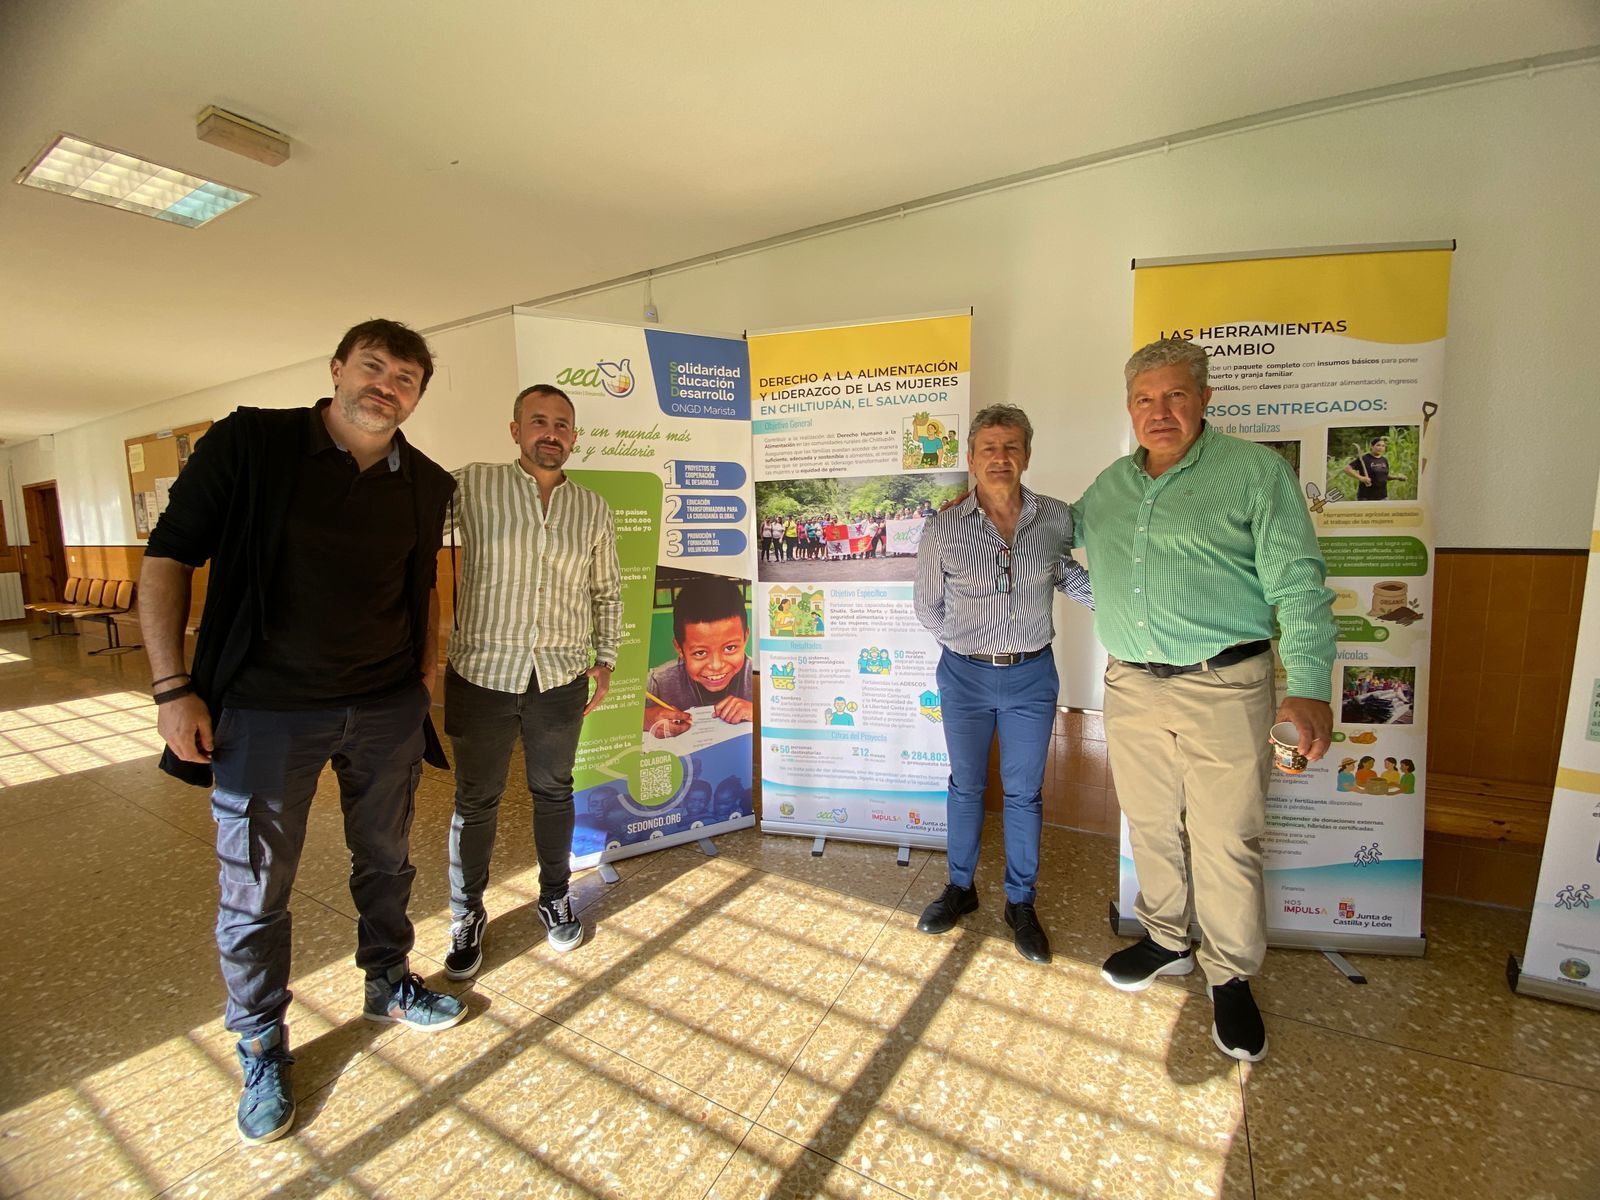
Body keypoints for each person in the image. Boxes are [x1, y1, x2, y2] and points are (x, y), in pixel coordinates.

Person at [138, 319, 464, 1146]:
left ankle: (388, 980)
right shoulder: (251, 443)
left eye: (406, 378)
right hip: (265, 712)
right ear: (337, 369)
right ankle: (259, 1043)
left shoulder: (425, 481)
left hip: (385, 709)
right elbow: (169, 555)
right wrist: (173, 688)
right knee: (256, 887)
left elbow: (419, 585)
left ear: (419, 395)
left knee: (387, 858)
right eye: (373, 367)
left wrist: (421, 681)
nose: (385, 386)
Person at [1079, 337, 1336, 1063]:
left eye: (1175, 396)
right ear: (1129, 408)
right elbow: (1054, 531)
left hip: (1226, 684)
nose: (1159, 412)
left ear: (1204, 398)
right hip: (1130, 684)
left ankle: (1230, 976)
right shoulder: (1109, 486)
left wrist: (1310, 685)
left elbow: (1298, 582)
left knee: (1227, 837)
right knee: (1150, 821)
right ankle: (1166, 940)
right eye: (1144, 399)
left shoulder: (1255, 473)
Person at [441, 384, 622, 977]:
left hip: (560, 677)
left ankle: (553, 894)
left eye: (563, 424)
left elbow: (606, 591)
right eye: (538, 421)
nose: (552, 433)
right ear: (514, 429)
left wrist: (606, 659)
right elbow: (403, 523)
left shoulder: (592, 508)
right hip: (481, 674)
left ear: (574, 436)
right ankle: (466, 912)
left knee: (554, 790)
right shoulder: (472, 484)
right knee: (476, 800)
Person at [913, 404, 1094, 964]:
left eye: (1011, 447)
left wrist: (1124, 604)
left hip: (1031, 676)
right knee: (965, 786)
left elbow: (1070, 576)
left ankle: (1021, 901)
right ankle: (960, 889)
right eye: (989, 448)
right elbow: (927, 608)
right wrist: (969, 642)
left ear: (1027, 456)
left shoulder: (1056, 518)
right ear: (970, 458)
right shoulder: (943, 526)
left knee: (1024, 793)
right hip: (964, 676)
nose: (1000, 457)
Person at [644, 576, 754, 737]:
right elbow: (615, 717)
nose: (716, 665)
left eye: (730, 648)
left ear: (745, 638)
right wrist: (645, 719)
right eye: (700, 653)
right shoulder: (657, 683)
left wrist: (757, 712)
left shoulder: (760, 678)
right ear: (679, 648)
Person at [1343, 435, 1407, 501]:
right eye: (1378, 445)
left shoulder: (1384, 460)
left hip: (1383, 497)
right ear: (1372, 446)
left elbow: (1384, 476)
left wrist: (1397, 477)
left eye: (1383, 446)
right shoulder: (1364, 458)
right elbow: (1347, 469)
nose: (1381, 448)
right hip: (1366, 497)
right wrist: (1361, 478)